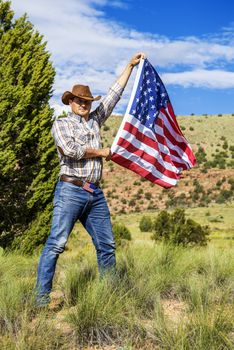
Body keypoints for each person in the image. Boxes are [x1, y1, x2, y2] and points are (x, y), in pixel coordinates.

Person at [35, 52, 145, 306]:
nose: (83, 105)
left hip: (94, 193)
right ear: (70, 102)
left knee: (107, 245)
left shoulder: (95, 120)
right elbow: (70, 151)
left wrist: (129, 66)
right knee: (56, 244)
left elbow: (113, 95)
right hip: (70, 190)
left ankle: (108, 298)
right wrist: (102, 152)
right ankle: (40, 300)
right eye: (79, 101)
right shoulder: (61, 124)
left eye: (87, 101)